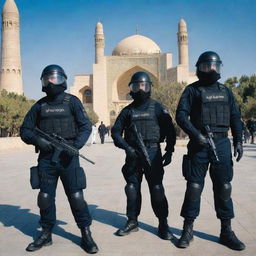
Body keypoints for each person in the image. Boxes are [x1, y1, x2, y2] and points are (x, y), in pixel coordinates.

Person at [20, 64, 98, 254]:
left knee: (77, 197)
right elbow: (25, 130)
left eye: (54, 78)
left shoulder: (72, 102)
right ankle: (46, 233)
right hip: (46, 159)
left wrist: (75, 146)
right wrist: (38, 140)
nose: (51, 82)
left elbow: (85, 127)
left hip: (68, 158)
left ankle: (85, 233)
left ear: (62, 80)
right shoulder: (39, 105)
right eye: (48, 79)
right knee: (45, 197)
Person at [175, 51, 245, 251]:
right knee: (194, 188)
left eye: (215, 66)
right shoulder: (192, 90)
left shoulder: (225, 91)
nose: (211, 69)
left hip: (222, 144)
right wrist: (195, 135)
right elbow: (181, 116)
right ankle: (187, 230)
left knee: (224, 188)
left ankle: (226, 231)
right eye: (207, 66)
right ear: (199, 68)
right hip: (199, 144)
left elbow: (235, 117)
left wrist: (239, 140)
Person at [111, 71, 176, 240]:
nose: (140, 89)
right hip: (133, 154)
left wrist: (170, 150)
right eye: (136, 86)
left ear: (149, 87)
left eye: (143, 85)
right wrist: (127, 148)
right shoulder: (127, 111)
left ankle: (163, 223)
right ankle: (132, 221)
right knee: (132, 188)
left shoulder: (158, 108)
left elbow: (170, 131)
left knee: (156, 188)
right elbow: (116, 132)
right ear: (131, 88)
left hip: (153, 152)